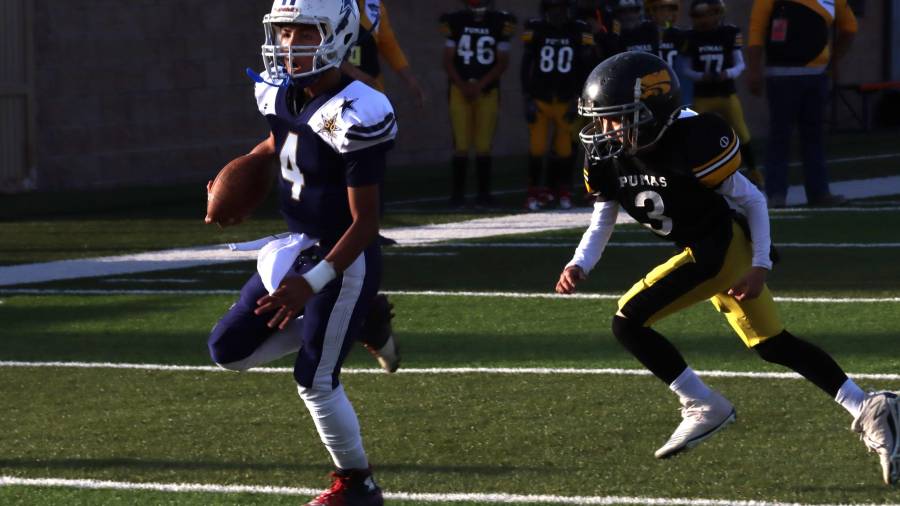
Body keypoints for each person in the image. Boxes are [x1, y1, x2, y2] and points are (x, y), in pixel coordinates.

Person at [556, 51, 899, 484]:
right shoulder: (609, 157)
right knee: (773, 344)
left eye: (617, 118)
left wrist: (759, 265)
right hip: (713, 251)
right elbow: (604, 215)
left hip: (717, 252)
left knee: (627, 321)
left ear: (652, 112)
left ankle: (702, 404)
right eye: (603, 119)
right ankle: (871, 409)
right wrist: (580, 262)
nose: (606, 130)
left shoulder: (691, 139)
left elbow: (753, 200)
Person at [206, 1, 398, 503]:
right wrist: (238, 176)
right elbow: (281, 141)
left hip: (343, 256)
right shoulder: (277, 92)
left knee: (314, 378)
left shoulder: (356, 111)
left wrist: (310, 285)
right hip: (296, 249)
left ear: (336, 35)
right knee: (227, 351)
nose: (289, 45)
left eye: (304, 33)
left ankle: (358, 484)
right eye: (283, 32)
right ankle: (364, 322)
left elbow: (366, 224)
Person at [746, 0, 857, 208]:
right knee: (810, 137)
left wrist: (754, 69)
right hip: (810, 76)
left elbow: (756, 31)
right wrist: (833, 61)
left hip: (783, 76)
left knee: (783, 137)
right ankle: (817, 193)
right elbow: (850, 29)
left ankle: (778, 194)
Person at [440, 0, 517, 208]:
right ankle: (457, 196)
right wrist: (463, 85)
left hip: (487, 90)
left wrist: (479, 84)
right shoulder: (454, 20)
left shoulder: (500, 21)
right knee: (462, 145)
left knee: (483, 145)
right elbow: (447, 60)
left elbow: (503, 61)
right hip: (459, 90)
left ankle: (483, 195)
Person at [521, 0, 596, 211]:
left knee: (564, 150)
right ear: (546, 9)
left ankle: (563, 192)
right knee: (536, 148)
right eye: (553, 7)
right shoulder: (536, 29)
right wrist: (527, 97)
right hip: (540, 97)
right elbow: (526, 65)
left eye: (561, 7)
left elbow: (585, 67)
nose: (557, 12)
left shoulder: (578, 30)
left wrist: (577, 98)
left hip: (566, 99)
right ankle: (534, 192)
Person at [682, 0, 764, 188]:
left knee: (742, 132)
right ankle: (699, 174)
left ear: (718, 13)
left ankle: (754, 171)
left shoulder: (728, 33)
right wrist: (702, 76)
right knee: (698, 136)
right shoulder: (690, 37)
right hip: (702, 96)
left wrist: (726, 73)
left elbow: (740, 64)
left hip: (726, 94)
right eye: (699, 16)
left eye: (707, 14)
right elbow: (685, 68)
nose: (703, 20)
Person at [340, 0, 426, 110]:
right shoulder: (322, 5)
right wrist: (351, 71)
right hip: (333, 93)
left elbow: (389, 45)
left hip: (371, 90)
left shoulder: (374, 5)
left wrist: (410, 80)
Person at [645, 0, 694, 106]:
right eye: (662, 10)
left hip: (675, 87)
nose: (667, 14)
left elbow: (684, 70)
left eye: (670, 9)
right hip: (651, 87)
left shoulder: (682, 36)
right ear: (651, 11)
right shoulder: (642, 34)